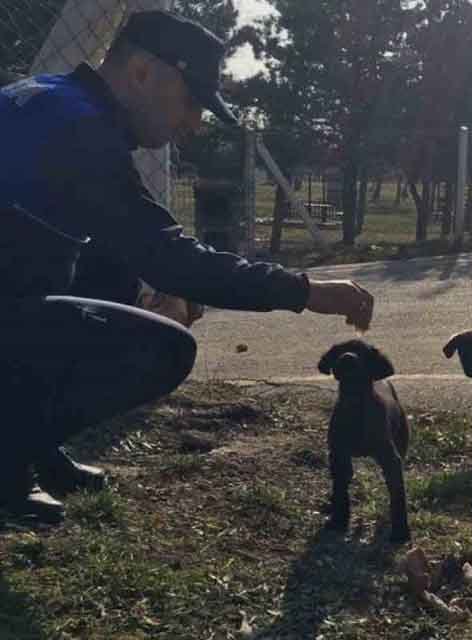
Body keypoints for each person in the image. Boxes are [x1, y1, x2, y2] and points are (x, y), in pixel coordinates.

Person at [0, 10, 374, 524]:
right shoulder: (79, 130)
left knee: (109, 271)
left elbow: (134, 246)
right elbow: (171, 258)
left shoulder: (49, 98)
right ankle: (9, 457)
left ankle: (33, 448)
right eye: (191, 102)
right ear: (141, 73)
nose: (194, 125)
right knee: (164, 348)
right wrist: (305, 291)